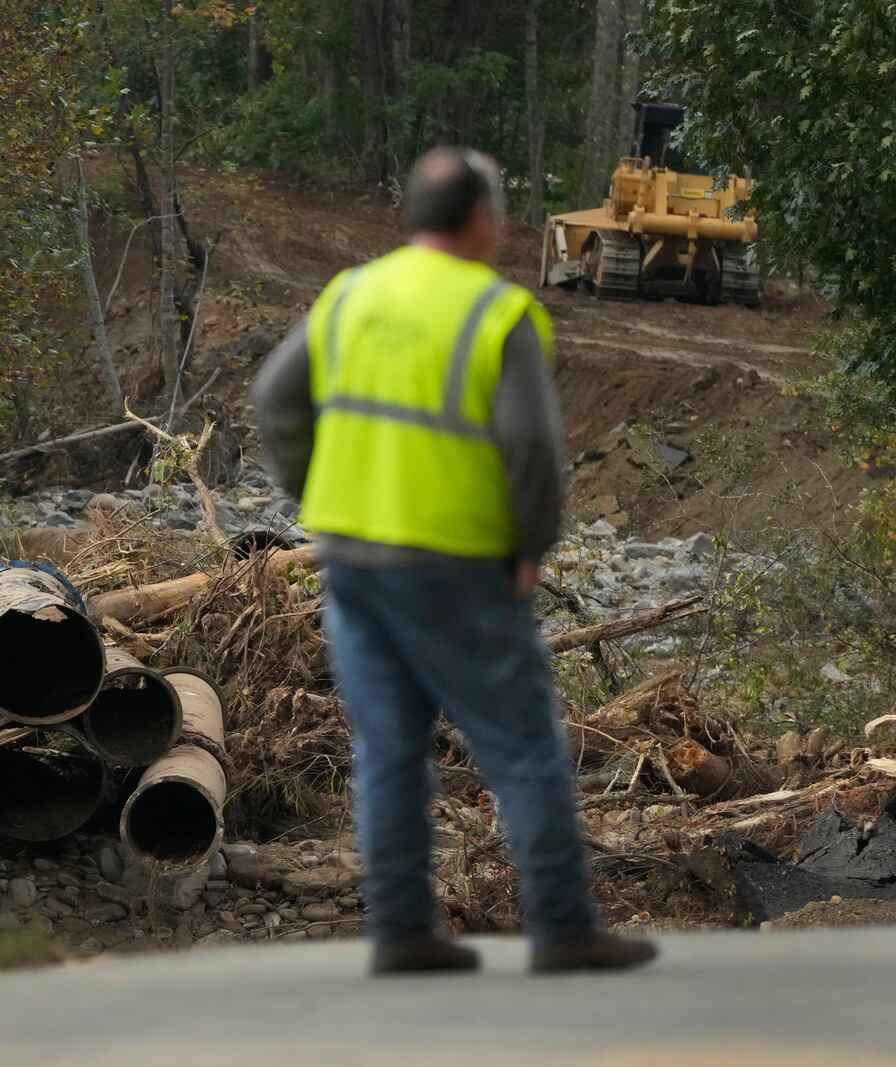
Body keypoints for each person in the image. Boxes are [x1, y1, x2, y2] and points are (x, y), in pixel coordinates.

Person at [252, 147, 658, 975]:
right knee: (520, 743)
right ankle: (563, 925)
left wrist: (316, 492)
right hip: (456, 563)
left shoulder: (350, 295)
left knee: (388, 747)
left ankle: (401, 930)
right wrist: (530, 546)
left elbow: (274, 397)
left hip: (352, 559)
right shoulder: (494, 313)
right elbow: (534, 451)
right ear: (480, 218)